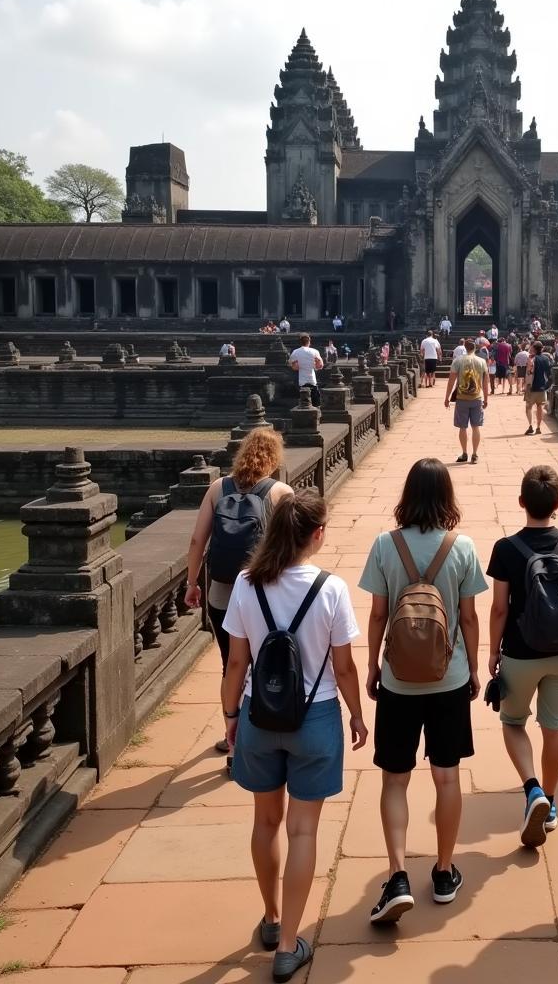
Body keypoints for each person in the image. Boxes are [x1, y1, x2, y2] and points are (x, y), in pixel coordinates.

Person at [221, 491, 367, 980]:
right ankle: (288, 945)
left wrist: (229, 715)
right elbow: (344, 668)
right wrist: (357, 715)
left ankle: (270, 915)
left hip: (259, 716)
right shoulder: (331, 589)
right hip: (316, 716)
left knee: (265, 823)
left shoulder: (246, 583)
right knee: (303, 829)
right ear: (316, 535)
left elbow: (236, 662)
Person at [359, 459, 487, 923]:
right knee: (446, 776)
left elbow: (377, 615)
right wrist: (473, 668)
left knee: (395, 778)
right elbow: (469, 618)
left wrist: (373, 666)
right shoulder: (463, 546)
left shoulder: (384, 545)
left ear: (407, 495)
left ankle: (396, 874)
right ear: (447, 496)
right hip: (447, 678)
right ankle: (444, 870)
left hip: (398, 679)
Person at [487, 465, 558, 848]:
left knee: (513, 722)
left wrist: (492, 652)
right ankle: (549, 802)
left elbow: (499, 609)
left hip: (519, 652)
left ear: (522, 502)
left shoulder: (506, 549)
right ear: (557, 505)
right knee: (555, 729)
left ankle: (531, 788)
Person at [184, 428, 295, 767]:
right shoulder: (281, 492)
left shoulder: (218, 488)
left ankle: (232, 740)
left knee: (231, 664)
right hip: (266, 593)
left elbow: (196, 542)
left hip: (223, 592)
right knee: (267, 661)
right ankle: (268, 731)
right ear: (274, 458)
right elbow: (290, 548)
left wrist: (192, 583)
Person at [444, 338, 488, 465]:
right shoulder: (481, 361)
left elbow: (451, 381)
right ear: (475, 348)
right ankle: (474, 454)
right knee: (476, 427)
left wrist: (446, 398)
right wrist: (486, 398)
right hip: (477, 397)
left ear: (465, 348)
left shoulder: (458, 361)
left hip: (462, 398)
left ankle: (464, 453)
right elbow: (486, 383)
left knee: (462, 428)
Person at [524, 341, 553, 435]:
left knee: (528, 407)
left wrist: (529, 364)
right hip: (542, 387)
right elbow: (550, 375)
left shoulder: (532, 359)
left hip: (532, 387)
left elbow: (529, 372)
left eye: (532, 348)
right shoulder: (546, 359)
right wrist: (547, 386)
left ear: (534, 349)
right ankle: (538, 427)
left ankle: (530, 426)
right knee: (540, 407)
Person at [289, 334, 324, 407]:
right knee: (316, 403)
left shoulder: (295, 352)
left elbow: (295, 368)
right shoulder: (314, 351)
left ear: (300, 342)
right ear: (309, 342)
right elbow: (320, 366)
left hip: (302, 380)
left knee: (304, 403)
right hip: (312, 379)